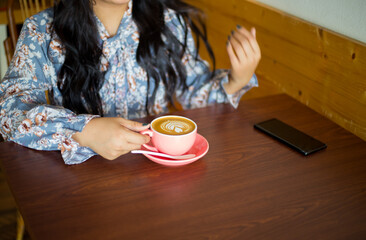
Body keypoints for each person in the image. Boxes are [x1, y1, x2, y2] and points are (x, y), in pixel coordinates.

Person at [0, 0, 261, 165]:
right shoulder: (41, 30)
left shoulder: (169, 21)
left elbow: (194, 92)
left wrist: (237, 79)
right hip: (80, 183)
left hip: (156, 172)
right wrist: (85, 131)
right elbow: (8, 112)